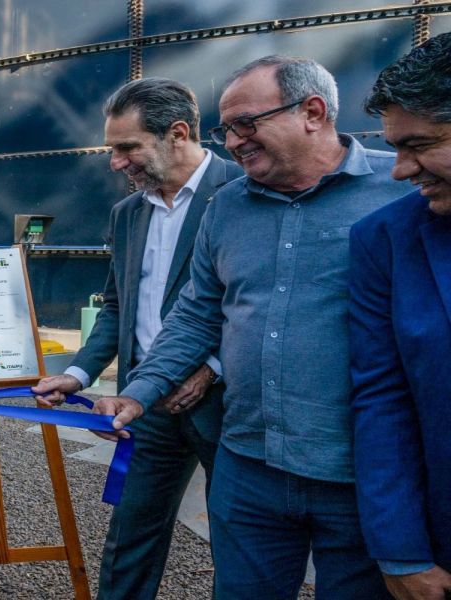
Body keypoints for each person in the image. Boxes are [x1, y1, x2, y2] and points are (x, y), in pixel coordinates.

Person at [91, 56, 411, 599]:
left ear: (313, 112)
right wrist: (139, 393)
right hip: (249, 467)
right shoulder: (228, 206)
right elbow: (197, 314)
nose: (234, 142)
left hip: (360, 475)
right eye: (226, 128)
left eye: (247, 125)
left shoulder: (402, 190)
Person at [33, 77, 239, 599]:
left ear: (177, 133)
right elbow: (117, 307)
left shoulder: (242, 194)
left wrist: (211, 366)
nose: (115, 163)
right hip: (143, 405)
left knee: (241, 546)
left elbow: (258, 306)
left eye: (127, 148)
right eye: (112, 149)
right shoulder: (127, 213)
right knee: (130, 539)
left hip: (227, 405)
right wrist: (78, 374)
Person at [350, 33, 451, 600]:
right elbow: (382, 401)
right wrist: (401, 550)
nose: (399, 170)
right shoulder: (385, 241)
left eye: (420, 146)